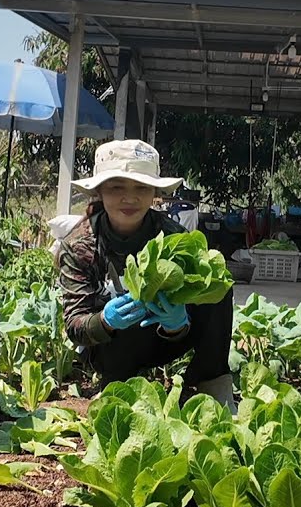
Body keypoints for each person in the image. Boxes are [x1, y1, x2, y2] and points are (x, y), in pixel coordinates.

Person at [57, 139, 236, 410]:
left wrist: (177, 324)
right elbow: (74, 326)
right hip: (111, 349)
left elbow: (195, 304)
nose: (130, 198)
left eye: (141, 187)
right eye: (117, 187)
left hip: (166, 337)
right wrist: (105, 320)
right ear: (100, 192)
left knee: (218, 288)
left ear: (155, 192)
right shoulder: (79, 246)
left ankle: (212, 384)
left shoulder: (174, 236)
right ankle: (116, 387)